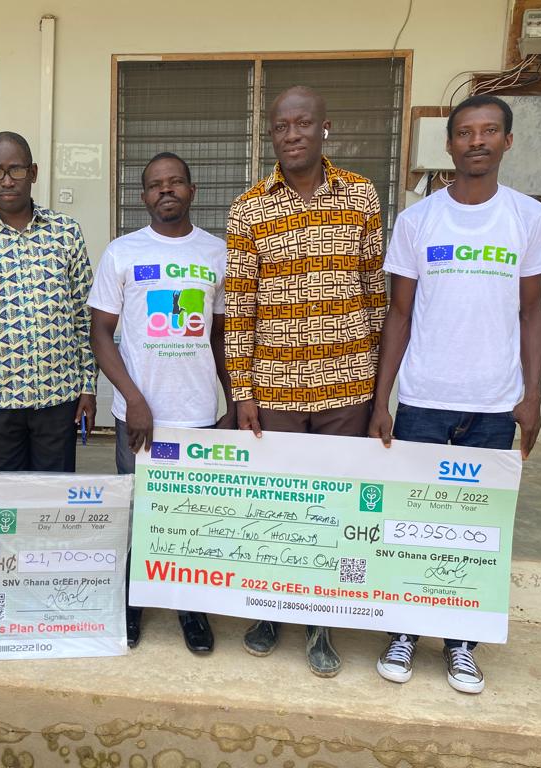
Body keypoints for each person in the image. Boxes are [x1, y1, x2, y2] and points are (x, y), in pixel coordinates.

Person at [369, 94, 541, 694]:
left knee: (476, 529)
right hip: (424, 399)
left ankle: (460, 644)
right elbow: (399, 315)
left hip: (494, 404)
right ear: (449, 144)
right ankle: (404, 631)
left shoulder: (528, 218)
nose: (477, 141)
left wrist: (532, 395)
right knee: (413, 520)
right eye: (466, 132)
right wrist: (383, 400)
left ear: (507, 141)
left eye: (490, 131)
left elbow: (532, 312)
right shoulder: (418, 221)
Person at [224, 86, 386, 676]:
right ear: (271, 134)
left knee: (334, 506)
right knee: (277, 507)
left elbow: (376, 293)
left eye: (303, 123)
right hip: (275, 390)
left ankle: (321, 621)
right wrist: (242, 393)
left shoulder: (361, 196)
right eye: (281, 126)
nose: (292, 134)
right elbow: (239, 309)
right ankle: (271, 611)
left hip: (348, 385)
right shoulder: (248, 208)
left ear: (324, 127)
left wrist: (378, 392)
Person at [89, 152, 234, 653]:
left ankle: (190, 608)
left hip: (197, 414)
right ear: (143, 196)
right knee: (138, 512)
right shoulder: (122, 253)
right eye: (155, 185)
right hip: (138, 416)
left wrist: (232, 401)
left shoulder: (217, 253)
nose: (165, 191)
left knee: (190, 516)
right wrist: (133, 399)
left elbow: (220, 337)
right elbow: (101, 334)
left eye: (175, 182)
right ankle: (132, 601)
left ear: (192, 190)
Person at [0, 131, 96, 471]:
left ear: (33, 172)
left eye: (16, 169)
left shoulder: (66, 232)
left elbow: (83, 318)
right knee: (4, 499)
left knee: (54, 498)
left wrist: (88, 387)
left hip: (59, 397)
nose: (7, 180)